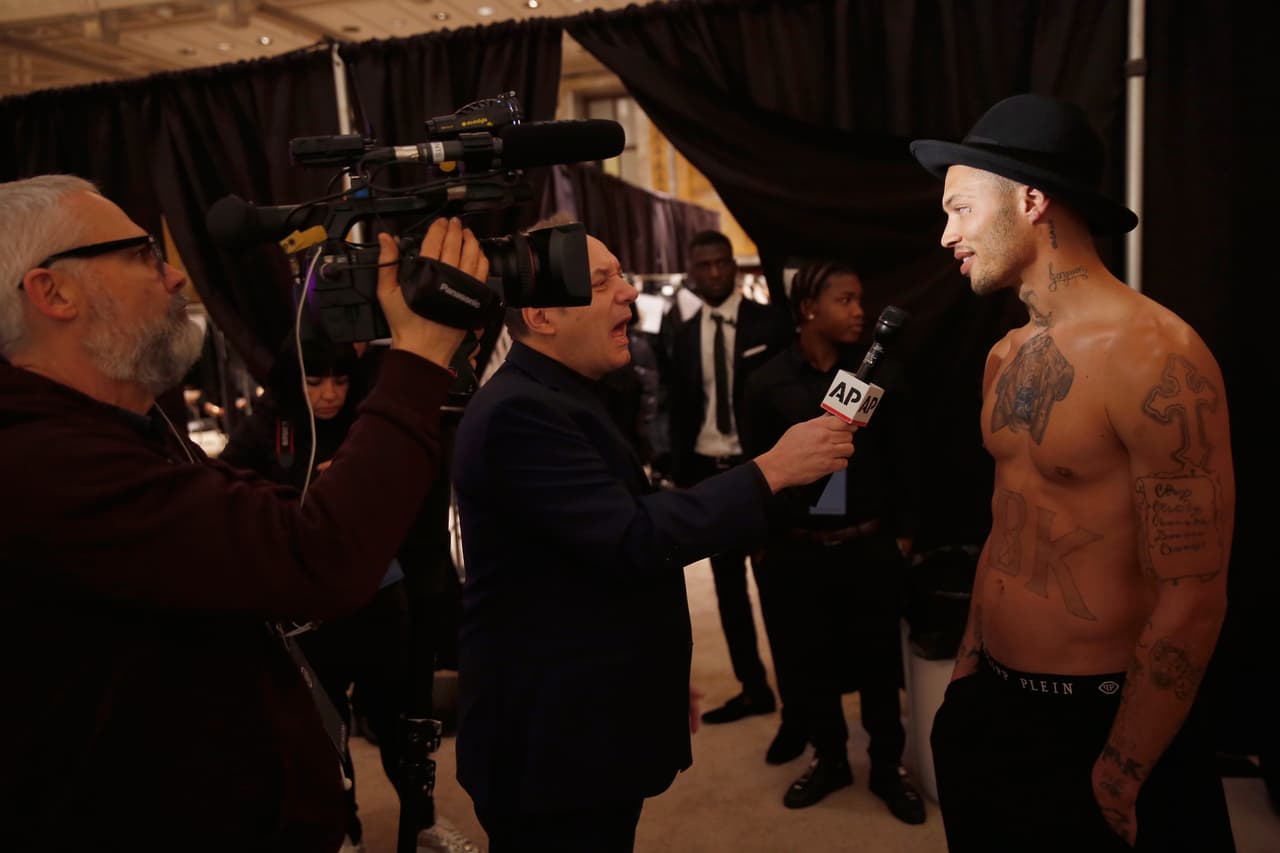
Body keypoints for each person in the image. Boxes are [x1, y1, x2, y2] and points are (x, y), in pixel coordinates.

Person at [0, 173, 482, 852]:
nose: (175, 277)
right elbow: (320, 556)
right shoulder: (41, 464)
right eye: (142, 254)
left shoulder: (109, 434)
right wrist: (423, 354)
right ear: (52, 291)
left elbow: (251, 531)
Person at [451, 221, 855, 852]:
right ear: (541, 314)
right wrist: (772, 469)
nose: (632, 292)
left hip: (589, 708)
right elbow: (632, 535)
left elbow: (590, 550)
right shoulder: (518, 413)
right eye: (605, 279)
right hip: (551, 747)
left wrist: (650, 664)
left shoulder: (563, 395)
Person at [910, 93, 1236, 851]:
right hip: (992, 704)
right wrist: (965, 676)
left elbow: (1193, 594)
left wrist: (1121, 770)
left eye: (960, 210)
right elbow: (1008, 523)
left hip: (1100, 723)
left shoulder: (1156, 354)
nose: (945, 234)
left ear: (1029, 199)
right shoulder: (1004, 356)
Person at [741, 261, 926, 823]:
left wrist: (903, 536)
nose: (859, 312)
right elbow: (754, 471)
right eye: (845, 300)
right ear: (808, 308)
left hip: (868, 545)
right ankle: (830, 760)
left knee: (876, 662)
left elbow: (905, 460)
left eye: (860, 299)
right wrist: (765, 547)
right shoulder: (766, 381)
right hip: (798, 550)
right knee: (809, 662)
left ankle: (887, 767)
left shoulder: (881, 373)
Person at [219, 339, 411, 852]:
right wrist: (303, 497)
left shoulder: (369, 419)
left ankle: (422, 818)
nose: (329, 395)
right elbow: (230, 493)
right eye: (315, 381)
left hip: (379, 591)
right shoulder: (270, 424)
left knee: (398, 716)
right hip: (306, 605)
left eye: (341, 381)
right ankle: (345, 828)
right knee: (325, 727)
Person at [666, 229, 794, 724]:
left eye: (722, 263)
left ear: (735, 268)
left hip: (760, 471)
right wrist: (680, 477)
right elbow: (680, 410)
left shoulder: (771, 325)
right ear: (692, 271)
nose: (715, 273)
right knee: (727, 591)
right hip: (707, 476)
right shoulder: (680, 333)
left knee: (776, 590)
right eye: (705, 265)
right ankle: (753, 688)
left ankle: (797, 707)